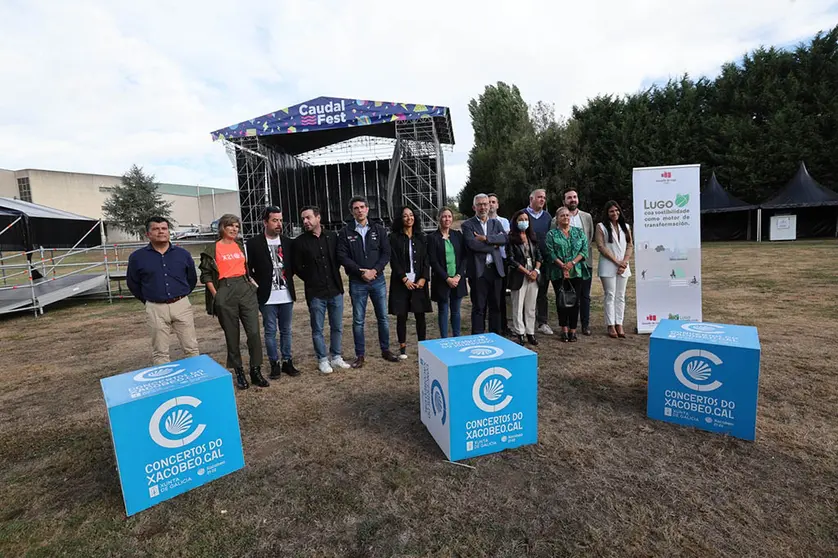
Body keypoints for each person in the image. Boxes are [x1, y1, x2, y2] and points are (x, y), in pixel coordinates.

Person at [199, 214, 268, 389]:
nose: (234, 229)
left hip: (244, 289)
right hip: (225, 289)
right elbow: (206, 275)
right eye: (230, 226)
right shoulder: (212, 248)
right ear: (222, 227)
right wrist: (217, 296)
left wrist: (251, 284)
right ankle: (238, 371)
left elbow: (245, 268)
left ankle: (255, 370)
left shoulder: (239, 246)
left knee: (253, 333)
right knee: (232, 335)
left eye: (237, 226)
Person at [337, 196, 400, 368]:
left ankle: (385, 350)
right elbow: (342, 256)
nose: (359, 210)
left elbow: (386, 253)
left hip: (377, 280)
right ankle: (360, 355)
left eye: (362, 207)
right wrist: (360, 272)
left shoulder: (378, 229)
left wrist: (375, 271)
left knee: (383, 318)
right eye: (356, 208)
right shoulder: (345, 232)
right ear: (351, 211)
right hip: (358, 283)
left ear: (367, 209)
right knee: (358, 320)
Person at [127, 216, 199, 365]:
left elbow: (191, 278)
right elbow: (133, 283)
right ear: (148, 234)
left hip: (181, 305)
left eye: (164, 228)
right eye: (156, 229)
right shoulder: (137, 257)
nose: (161, 232)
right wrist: (149, 299)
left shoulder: (182, 254)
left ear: (168, 231)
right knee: (160, 352)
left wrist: (181, 295)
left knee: (191, 348)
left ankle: (197, 384)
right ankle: (167, 386)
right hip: (155, 308)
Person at [292, 206, 351, 374]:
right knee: (317, 328)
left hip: (335, 289)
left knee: (337, 326)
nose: (305, 221)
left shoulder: (333, 237)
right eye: (303, 218)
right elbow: (297, 267)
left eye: (308, 217)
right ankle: (322, 359)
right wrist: (312, 279)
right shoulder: (300, 242)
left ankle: (336, 356)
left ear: (318, 218)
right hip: (315, 293)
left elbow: (339, 258)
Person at [246, 206, 301, 379]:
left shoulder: (288, 242)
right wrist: (256, 285)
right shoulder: (253, 243)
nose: (279, 224)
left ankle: (287, 361)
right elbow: (249, 269)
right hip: (266, 296)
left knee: (286, 330)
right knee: (270, 332)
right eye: (274, 220)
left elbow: (291, 267)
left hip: (286, 295)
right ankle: (274, 363)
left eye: (280, 220)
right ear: (265, 222)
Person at [388, 206, 432, 359]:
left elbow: (427, 259)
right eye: (405, 216)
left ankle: (423, 346)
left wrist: (424, 278)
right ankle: (402, 348)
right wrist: (404, 278)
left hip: (419, 281)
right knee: (402, 315)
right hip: (401, 282)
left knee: (420, 315)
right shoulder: (393, 238)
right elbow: (394, 260)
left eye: (411, 215)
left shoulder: (422, 237)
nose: (409, 218)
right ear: (400, 219)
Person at [461, 193, 508, 335]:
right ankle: (478, 337)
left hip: (495, 270)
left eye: (485, 204)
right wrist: (494, 245)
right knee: (479, 307)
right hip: (478, 271)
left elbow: (505, 238)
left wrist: (486, 238)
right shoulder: (467, 225)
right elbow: (472, 245)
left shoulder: (496, 223)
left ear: (489, 205)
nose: (483, 207)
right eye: (480, 204)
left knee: (496, 306)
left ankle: (495, 336)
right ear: (474, 207)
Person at [546, 207, 590, 342]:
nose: (565, 217)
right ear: (557, 219)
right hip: (558, 272)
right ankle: (564, 329)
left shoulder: (579, 232)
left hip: (576, 271)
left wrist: (572, 263)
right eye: (562, 216)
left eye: (567, 215)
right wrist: (562, 265)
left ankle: (573, 330)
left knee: (575, 301)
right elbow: (550, 252)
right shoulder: (552, 234)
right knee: (562, 301)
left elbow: (584, 250)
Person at [557, 188, 595, 335]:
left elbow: (589, 237)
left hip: (583, 263)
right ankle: (566, 327)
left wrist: (578, 258)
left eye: (574, 197)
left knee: (585, 296)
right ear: (564, 201)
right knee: (567, 296)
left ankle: (585, 325)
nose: (572, 199)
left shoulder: (587, 217)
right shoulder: (557, 219)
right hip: (565, 267)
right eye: (569, 198)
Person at [595, 200, 633, 339]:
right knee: (610, 295)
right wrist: (617, 262)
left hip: (623, 266)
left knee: (621, 296)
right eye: (611, 211)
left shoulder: (626, 226)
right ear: (607, 213)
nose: (615, 213)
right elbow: (601, 247)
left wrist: (624, 262)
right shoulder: (601, 226)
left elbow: (630, 245)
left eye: (617, 210)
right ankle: (610, 324)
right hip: (608, 265)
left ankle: (619, 323)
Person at [427, 208, 467, 338]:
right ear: (439, 218)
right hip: (442, 280)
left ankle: (457, 337)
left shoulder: (458, 235)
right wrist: (447, 278)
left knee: (456, 311)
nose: (447, 219)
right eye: (444, 216)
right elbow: (433, 261)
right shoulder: (432, 238)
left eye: (449, 216)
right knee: (443, 310)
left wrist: (458, 276)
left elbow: (463, 258)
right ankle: (444, 338)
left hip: (457, 280)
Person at [506, 210, 542, 346]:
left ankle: (530, 332)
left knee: (531, 306)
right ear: (515, 222)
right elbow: (510, 259)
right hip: (519, 274)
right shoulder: (511, 238)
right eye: (520, 219)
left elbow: (539, 256)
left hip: (534, 274)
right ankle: (520, 333)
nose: (524, 222)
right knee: (518, 305)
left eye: (526, 219)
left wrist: (536, 271)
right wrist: (526, 272)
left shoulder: (532, 236)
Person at [523, 189, 553, 336]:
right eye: (539, 197)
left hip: (544, 261)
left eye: (544, 198)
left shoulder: (547, 217)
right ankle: (524, 323)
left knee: (542, 292)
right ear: (531, 198)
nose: (542, 200)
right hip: (526, 261)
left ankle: (542, 322)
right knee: (526, 293)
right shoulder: (522, 215)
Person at [488, 193, 512, 336]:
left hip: (501, 262)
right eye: (488, 201)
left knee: (501, 296)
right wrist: (495, 240)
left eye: (493, 202)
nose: (491, 204)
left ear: (497, 205)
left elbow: (505, 239)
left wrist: (488, 240)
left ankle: (503, 325)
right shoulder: (481, 223)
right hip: (486, 262)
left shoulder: (504, 221)